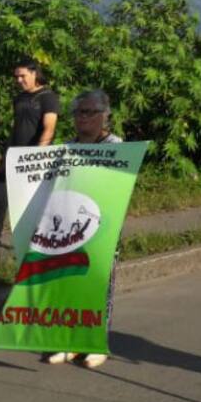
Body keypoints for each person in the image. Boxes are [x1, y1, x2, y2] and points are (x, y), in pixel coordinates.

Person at [44, 89, 122, 370]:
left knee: (99, 287)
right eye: (79, 112)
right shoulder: (66, 146)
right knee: (69, 285)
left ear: (104, 115)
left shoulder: (116, 146)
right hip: (69, 227)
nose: (83, 118)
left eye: (90, 112)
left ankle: (96, 343)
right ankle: (68, 341)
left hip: (102, 227)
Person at [0, 57, 59, 259]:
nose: (18, 80)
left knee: (33, 205)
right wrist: (3, 157)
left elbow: (49, 127)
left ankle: (38, 246)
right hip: (13, 156)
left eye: (22, 76)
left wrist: (39, 154)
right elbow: (17, 129)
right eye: (16, 77)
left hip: (35, 159)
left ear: (34, 73)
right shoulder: (19, 99)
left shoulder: (48, 97)